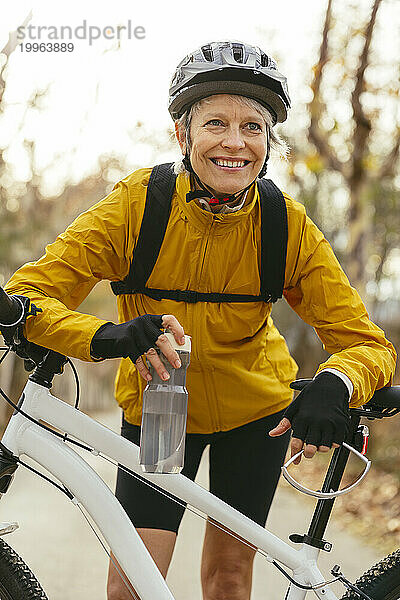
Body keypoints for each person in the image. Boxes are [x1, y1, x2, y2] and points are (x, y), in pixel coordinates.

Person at [5, 41, 396, 600]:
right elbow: (30, 294)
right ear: (182, 133)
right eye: (216, 123)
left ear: (269, 141)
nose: (234, 143)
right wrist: (104, 336)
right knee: (131, 585)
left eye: (252, 127)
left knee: (230, 582)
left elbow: (368, 345)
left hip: (255, 417)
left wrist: (337, 382)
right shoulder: (139, 205)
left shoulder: (284, 225)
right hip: (162, 411)